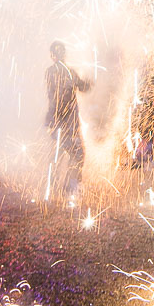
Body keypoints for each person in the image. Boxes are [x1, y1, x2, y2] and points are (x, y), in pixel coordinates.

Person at [44, 39, 91, 197]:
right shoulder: (68, 72)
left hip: (59, 121)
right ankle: (69, 188)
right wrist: (89, 82)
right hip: (66, 122)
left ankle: (57, 186)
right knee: (77, 154)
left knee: (62, 153)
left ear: (52, 55)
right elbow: (82, 87)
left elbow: (80, 87)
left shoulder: (53, 71)